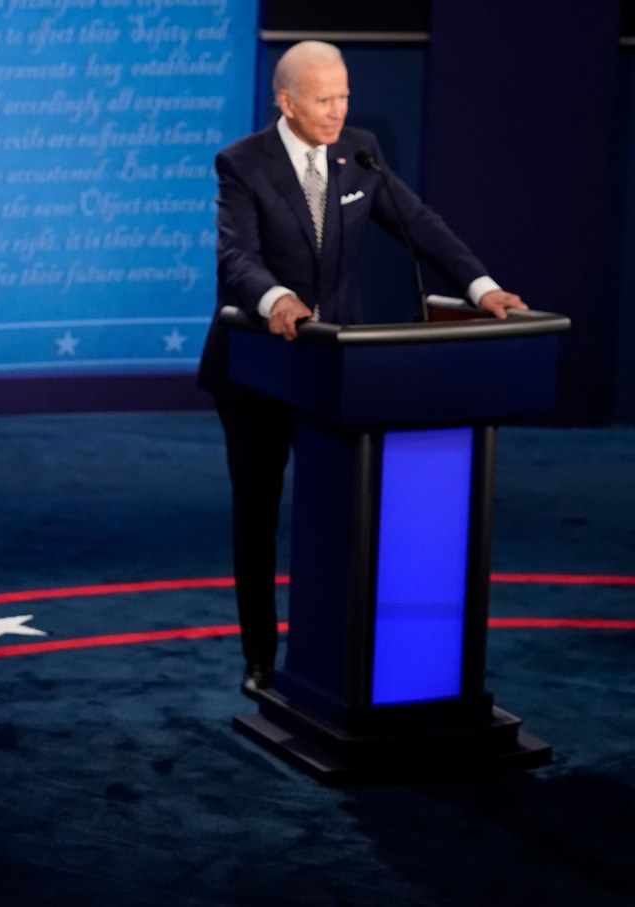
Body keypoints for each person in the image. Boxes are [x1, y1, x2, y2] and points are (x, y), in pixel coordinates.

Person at [195, 41, 528, 698]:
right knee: (257, 515)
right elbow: (236, 258)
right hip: (258, 369)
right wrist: (276, 299)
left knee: (342, 511)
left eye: (344, 95)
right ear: (286, 101)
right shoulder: (242, 164)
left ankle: (336, 652)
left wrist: (481, 287)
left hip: (340, 370)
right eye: (324, 99)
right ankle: (260, 656)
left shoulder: (360, 152)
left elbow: (421, 226)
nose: (338, 110)